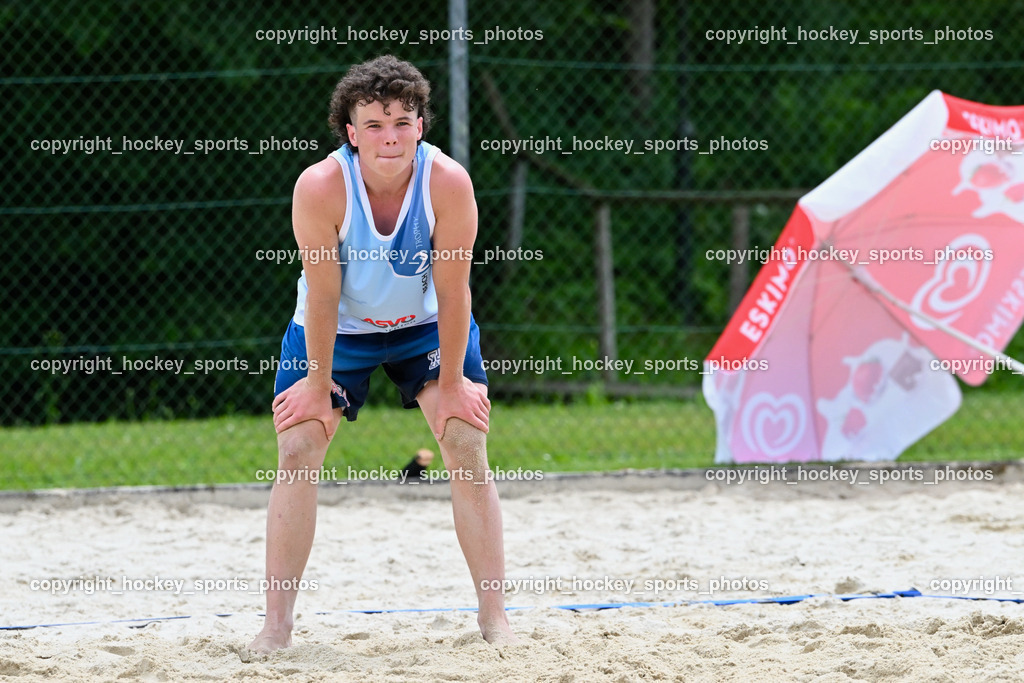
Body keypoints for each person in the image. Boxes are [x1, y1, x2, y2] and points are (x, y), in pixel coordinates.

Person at [247, 55, 516, 652]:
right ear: (350, 132)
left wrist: (451, 382)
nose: (388, 136)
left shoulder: (448, 182)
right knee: (297, 447)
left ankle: (494, 619)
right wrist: (317, 386)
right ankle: (276, 627)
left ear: (421, 125)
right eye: (373, 124)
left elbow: (453, 289)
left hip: (425, 325)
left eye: (401, 121)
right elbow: (322, 293)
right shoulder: (321, 186)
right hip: (338, 329)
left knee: (466, 441)